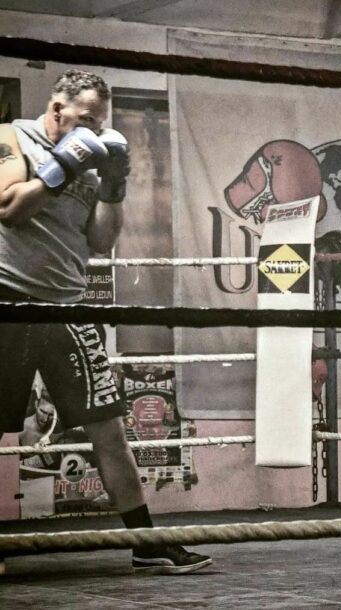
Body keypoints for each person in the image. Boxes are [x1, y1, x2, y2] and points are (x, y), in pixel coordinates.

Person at [0, 69, 211, 575]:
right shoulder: (10, 137)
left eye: (100, 124)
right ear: (57, 110)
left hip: (70, 308)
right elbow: (8, 207)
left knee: (109, 429)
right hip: (7, 302)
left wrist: (114, 182)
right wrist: (61, 167)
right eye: (87, 121)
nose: (93, 133)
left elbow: (101, 241)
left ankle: (145, 542)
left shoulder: (90, 158)